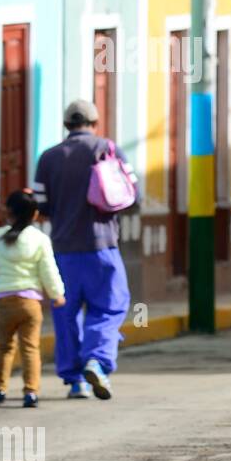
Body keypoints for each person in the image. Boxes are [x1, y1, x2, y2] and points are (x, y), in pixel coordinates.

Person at [33, 100, 137, 400]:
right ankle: (97, 360)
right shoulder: (108, 149)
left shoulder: (48, 158)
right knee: (110, 306)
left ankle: (75, 380)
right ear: (95, 121)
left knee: (65, 313)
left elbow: (41, 205)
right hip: (102, 246)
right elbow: (134, 194)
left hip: (63, 251)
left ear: (67, 125)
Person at [0, 190, 67, 407]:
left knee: (4, 347)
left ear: (8, 212)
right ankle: (30, 392)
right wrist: (57, 294)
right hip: (30, 304)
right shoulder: (40, 239)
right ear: (35, 214)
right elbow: (48, 270)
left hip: (3, 302)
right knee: (30, 348)